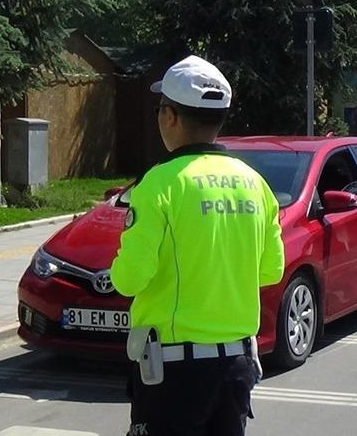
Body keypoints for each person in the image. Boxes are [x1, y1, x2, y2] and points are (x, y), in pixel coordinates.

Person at [111, 55, 285, 436]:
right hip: (237, 365)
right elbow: (271, 271)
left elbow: (129, 279)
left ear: (170, 117)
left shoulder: (159, 183)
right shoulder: (254, 182)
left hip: (172, 372)